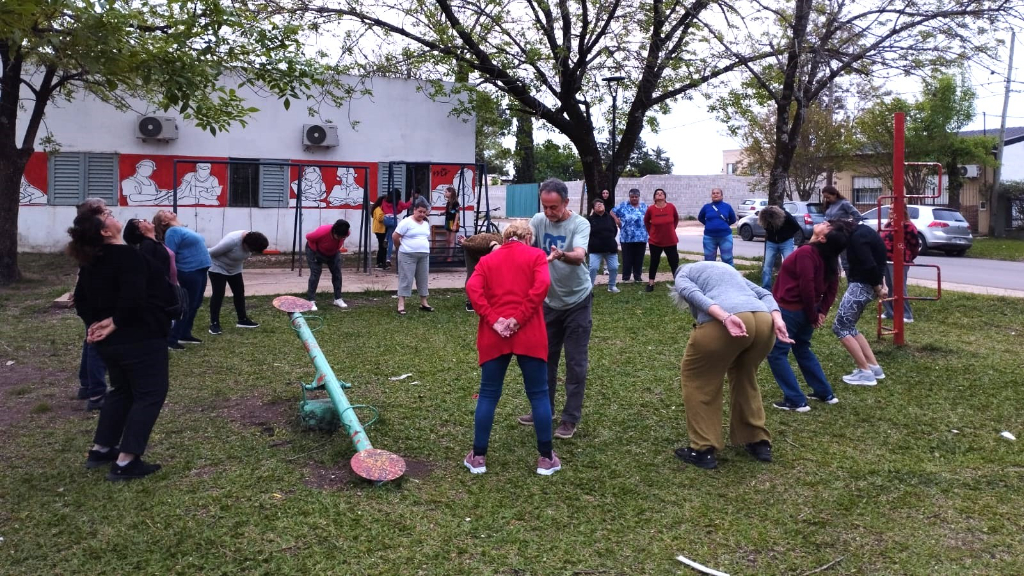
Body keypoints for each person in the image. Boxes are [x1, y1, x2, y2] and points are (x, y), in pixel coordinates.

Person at [68, 206, 172, 481]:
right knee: (150, 393)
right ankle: (126, 462)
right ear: (105, 230)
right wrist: (114, 322)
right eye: (108, 217)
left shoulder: (93, 259)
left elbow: (81, 299)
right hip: (140, 338)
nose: (114, 217)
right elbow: (134, 297)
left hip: (112, 343)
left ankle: (102, 448)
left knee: (123, 390)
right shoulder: (127, 256)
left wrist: (95, 324)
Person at [671, 261, 793, 469]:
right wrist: (778, 318)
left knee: (699, 380)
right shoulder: (729, 272)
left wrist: (725, 317)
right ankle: (757, 440)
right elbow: (765, 293)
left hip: (729, 321)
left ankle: (703, 449)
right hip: (764, 322)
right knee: (746, 375)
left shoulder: (684, 273)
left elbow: (690, 292)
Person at [464, 222, 561, 475]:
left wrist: (495, 319)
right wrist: (518, 319)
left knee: (488, 395)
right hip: (529, 333)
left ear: (505, 237)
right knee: (539, 394)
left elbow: (473, 289)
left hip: (494, 335)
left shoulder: (487, 261)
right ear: (528, 237)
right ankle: (546, 458)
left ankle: (478, 456)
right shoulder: (537, 256)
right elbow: (541, 287)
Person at [522, 178, 591, 440]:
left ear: (566, 202)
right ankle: (544, 410)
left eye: (554, 207)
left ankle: (569, 419)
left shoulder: (580, 223)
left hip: (577, 301)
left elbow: (580, 256)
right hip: (549, 302)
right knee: (544, 360)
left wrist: (561, 254)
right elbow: (524, 243)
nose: (549, 213)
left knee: (575, 363)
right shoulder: (538, 220)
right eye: (545, 207)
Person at [767, 220, 849, 412]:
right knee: (802, 348)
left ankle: (795, 400)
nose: (824, 222)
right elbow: (832, 286)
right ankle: (824, 393)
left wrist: (815, 314)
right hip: (806, 310)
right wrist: (820, 311)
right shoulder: (826, 255)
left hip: (791, 310)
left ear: (822, 238)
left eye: (827, 226)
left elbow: (807, 286)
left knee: (777, 353)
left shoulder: (807, 253)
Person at [831, 220, 888, 386]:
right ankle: (874, 368)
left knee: (840, 327)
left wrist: (878, 288)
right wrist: (882, 284)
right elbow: (879, 262)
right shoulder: (864, 231)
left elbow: (870, 265)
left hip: (862, 286)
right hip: (867, 285)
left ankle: (865, 373)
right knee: (850, 326)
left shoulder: (857, 238)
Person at [154, 210, 211, 349]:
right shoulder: (172, 232)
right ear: (164, 222)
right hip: (189, 271)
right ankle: (171, 339)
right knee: (186, 306)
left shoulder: (181, 229)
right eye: (164, 213)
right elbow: (170, 254)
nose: (168, 210)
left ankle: (185, 334)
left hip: (200, 270)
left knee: (195, 304)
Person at [73, 199, 109, 410]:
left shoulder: (85, 237)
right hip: (95, 300)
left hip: (87, 297)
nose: (108, 214)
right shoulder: (95, 240)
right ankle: (97, 394)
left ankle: (86, 385)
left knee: (91, 340)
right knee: (96, 343)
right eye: (105, 211)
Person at [205, 230, 269, 335]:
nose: (251, 252)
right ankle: (214, 323)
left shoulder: (253, 240)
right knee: (218, 294)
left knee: (239, 293)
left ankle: (242, 320)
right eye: (251, 249)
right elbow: (210, 252)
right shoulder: (232, 241)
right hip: (218, 267)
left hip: (235, 269)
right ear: (245, 243)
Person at [393, 198, 434, 314]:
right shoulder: (406, 222)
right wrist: (399, 247)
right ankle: (401, 304)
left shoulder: (426, 224)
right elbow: (395, 236)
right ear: (414, 210)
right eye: (419, 211)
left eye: (424, 212)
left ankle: (424, 302)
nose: (422, 214)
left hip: (424, 255)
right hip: (407, 254)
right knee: (406, 278)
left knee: (423, 278)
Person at [881, 206, 921, 323]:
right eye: (890, 209)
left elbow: (915, 245)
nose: (891, 211)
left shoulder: (908, 226)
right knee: (886, 286)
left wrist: (908, 257)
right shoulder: (889, 224)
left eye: (894, 208)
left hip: (899, 260)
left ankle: (907, 314)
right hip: (886, 259)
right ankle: (889, 311)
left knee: (899, 287)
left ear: (902, 210)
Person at [304, 219, 350, 311]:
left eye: (342, 237)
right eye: (338, 236)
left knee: (337, 273)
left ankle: (337, 299)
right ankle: (311, 300)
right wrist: (315, 253)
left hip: (332, 253)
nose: (340, 238)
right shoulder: (322, 231)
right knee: (315, 273)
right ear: (333, 231)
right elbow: (308, 237)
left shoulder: (346, 232)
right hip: (314, 252)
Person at [643, 188, 680, 292]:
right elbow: (646, 221)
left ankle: (678, 282)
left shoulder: (671, 207)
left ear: (665, 196)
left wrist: (672, 229)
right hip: (655, 241)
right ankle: (650, 283)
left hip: (670, 240)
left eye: (661, 193)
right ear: (654, 197)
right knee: (654, 261)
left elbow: (676, 219)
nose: (659, 195)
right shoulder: (651, 209)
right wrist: (651, 232)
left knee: (674, 262)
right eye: (657, 194)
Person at [758, 205, 802, 289]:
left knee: (789, 264)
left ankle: (790, 287)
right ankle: (766, 288)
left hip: (786, 242)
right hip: (771, 243)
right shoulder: (765, 217)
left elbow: (796, 227)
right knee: (767, 266)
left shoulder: (786, 216)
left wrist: (786, 235)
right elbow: (765, 227)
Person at [821, 185, 861, 276]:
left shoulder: (844, 203)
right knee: (830, 258)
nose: (827, 199)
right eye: (825, 198)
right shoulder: (829, 205)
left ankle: (849, 280)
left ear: (835, 194)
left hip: (842, 235)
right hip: (830, 235)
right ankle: (833, 279)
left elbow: (858, 216)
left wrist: (850, 227)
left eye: (828, 197)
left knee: (845, 260)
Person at [459, 232, 502, 312]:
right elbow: (466, 244)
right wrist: (464, 242)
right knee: (472, 274)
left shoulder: (501, 242)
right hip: (471, 252)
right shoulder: (478, 244)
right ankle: (470, 302)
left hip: (486, 249)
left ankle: (490, 297)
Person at [611, 188, 648, 283]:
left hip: (641, 237)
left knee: (639, 258)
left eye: (636, 197)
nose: (634, 198)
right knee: (627, 258)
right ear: (629, 197)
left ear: (639, 197)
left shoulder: (644, 206)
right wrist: (617, 221)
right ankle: (626, 277)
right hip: (627, 237)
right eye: (632, 197)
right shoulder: (623, 205)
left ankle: (637, 276)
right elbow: (612, 212)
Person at [697, 188, 737, 265]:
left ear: (722, 196)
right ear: (711, 196)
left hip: (725, 237)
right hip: (709, 237)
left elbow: (733, 219)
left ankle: (729, 276)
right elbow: (700, 218)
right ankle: (711, 276)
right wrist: (709, 224)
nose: (715, 194)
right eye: (713, 193)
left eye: (717, 193)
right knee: (709, 260)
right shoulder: (706, 207)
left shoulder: (727, 206)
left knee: (727, 258)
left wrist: (724, 225)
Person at [587, 198, 620, 293]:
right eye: (597, 204)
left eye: (601, 203)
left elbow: (614, 230)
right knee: (593, 268)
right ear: (593, 208)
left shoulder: (610, 218)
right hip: (595, 249)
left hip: (610, 248)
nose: (599, 205)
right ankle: (590, 288)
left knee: (614, 267)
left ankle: (612, 286)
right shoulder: (590, 220)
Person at [381, 189, 411, 268]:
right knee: (392, 239)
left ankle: (385, 238)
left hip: (386, 219)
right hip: (392, 219)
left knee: (389, 230)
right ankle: (388, 259)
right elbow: (405, 206)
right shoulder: (398, 202)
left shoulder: (385, 201)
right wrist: (410, 201)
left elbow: (382, 209)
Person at [370, 195, 388, 269]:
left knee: (382, 246)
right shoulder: (378, 209)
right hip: (380, 230)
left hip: (381, 229)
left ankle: (381, 262)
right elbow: (380, 218)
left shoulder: (379, 208)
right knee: (382, 246)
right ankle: (380, 262)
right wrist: (387, 216)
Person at [443, 186, 460, 260]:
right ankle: (446, 254)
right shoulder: (448, 202)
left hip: (453, 222)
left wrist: (454, 225)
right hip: (448, 221)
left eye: (446, 192)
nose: (445, 193)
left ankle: (450, 256)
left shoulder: (455, 203)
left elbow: (457, 214)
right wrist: (442, 212)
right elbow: (448, 211)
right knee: (447, 239)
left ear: (451, 193)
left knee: (451, 240)